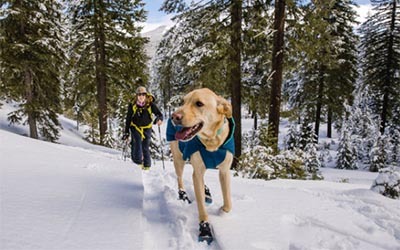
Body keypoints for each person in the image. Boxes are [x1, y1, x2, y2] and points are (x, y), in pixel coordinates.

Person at [123, 85, 163, 170]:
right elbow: (128, 118)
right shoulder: (133, 105)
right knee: (137, 143)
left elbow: (159, 114)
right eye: (139, 94)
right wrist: (126, 132)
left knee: (145, 146)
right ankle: (137, 164)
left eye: (143, 94)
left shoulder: (150, 104)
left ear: (146, 95)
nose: (141, 96)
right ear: (136, 96)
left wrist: (159, 119)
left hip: (147, 128)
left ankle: (147, 166)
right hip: (135, 127)